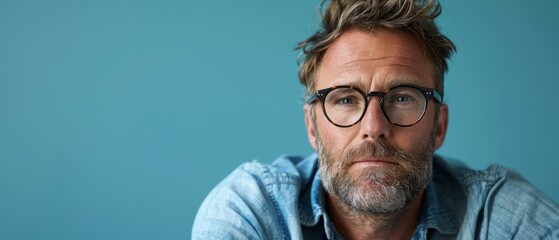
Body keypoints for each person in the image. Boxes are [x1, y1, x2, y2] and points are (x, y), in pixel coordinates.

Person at [192, 0, 559, 239]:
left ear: (439, 127)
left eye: (401, 98)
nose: (373, 127)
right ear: (312, 127)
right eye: (346, 99)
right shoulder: (253, 211)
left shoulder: (501, 217)